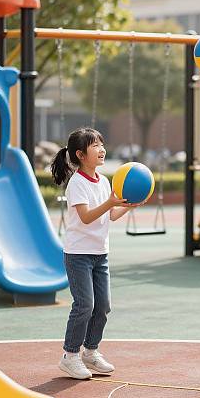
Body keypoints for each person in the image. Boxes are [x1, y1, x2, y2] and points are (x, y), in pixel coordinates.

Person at [51, 127, 142, 379]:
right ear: (80, 154)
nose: (101, 149)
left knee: (103, 305)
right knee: (84, 305)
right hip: (78, 254)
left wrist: (128, 206)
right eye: (95, 146)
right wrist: (110, 202)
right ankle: (70, 356)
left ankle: (90, 352)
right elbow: (87, 217)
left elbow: (110, 215)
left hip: (100, 254)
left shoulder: (103, 181)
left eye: (102, 144)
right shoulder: (77, 183)